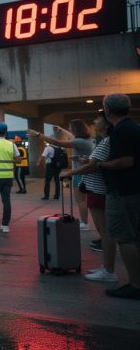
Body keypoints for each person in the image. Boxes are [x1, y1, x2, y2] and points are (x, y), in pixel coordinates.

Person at [60, 113, 117, 282]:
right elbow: (94, 164)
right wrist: (85, 161)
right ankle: (107, 267)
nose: (94, 122)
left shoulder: (106, 142)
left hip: (98, 191)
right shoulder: (104, 141)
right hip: (96, 189)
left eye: (98, 120)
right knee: (103, 231)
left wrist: (70, 172)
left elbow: (93, 167)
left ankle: (109, 271)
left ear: (106, 125)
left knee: (105, 232)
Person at [96, 93, 140, 299]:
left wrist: (102, 164)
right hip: (132, 189)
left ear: (108, 110)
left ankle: (135, 284)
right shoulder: (131, 127)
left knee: (124, 237)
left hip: (123, 191)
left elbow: (126, 161)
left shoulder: (121, 131)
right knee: (134, 235)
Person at [28, 120, 94, 230]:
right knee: (83, 200)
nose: (70, 130)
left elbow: (58, 143)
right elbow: (71, 136)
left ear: (76, 129)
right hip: (84, 173)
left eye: (71, 127)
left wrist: (38, 134)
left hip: (80, 174)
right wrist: (61, 129)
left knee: (81, 201)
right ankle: (84, 222)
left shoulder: (79, 141)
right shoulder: (86, 140)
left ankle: (85, 223)